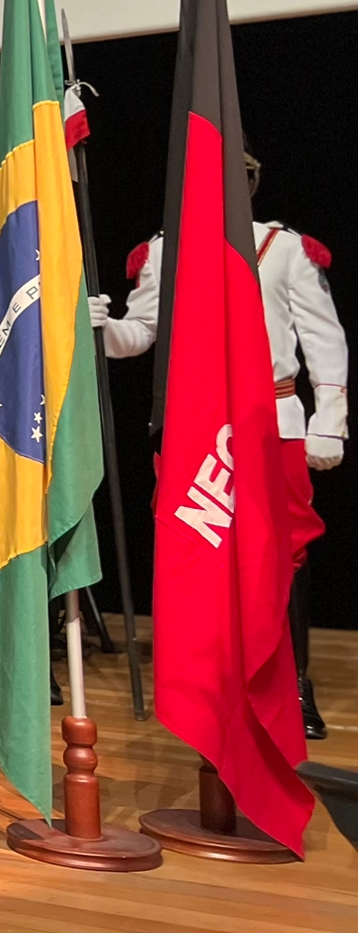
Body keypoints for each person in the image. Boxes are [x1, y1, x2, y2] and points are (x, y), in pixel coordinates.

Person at [94, 151, 347, 739]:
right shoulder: (162, 252)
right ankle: (208, 680)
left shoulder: (284, 248)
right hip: (197, 423)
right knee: (199, 547)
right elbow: (143, 335)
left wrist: (328, 418)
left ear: (251, 184)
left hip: (270, 416)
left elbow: (324, 339)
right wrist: (102, 329)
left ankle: (294, 681)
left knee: (285, 548)